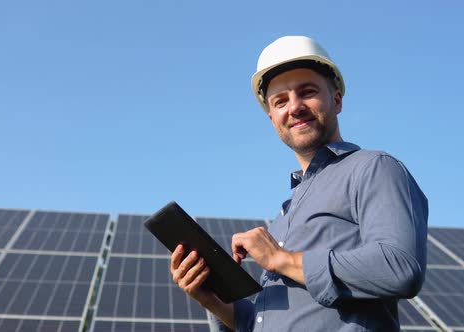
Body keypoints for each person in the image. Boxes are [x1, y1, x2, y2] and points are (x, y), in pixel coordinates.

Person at [170, 36, 428, 331]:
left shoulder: (373, 168)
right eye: (280, 101)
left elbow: (400, 268)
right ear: (272, 118)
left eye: (307, 92)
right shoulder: (283, 218)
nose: (294, 107)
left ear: (337, 99)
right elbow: (261, 324)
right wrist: (213, 299)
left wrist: (282, 259)